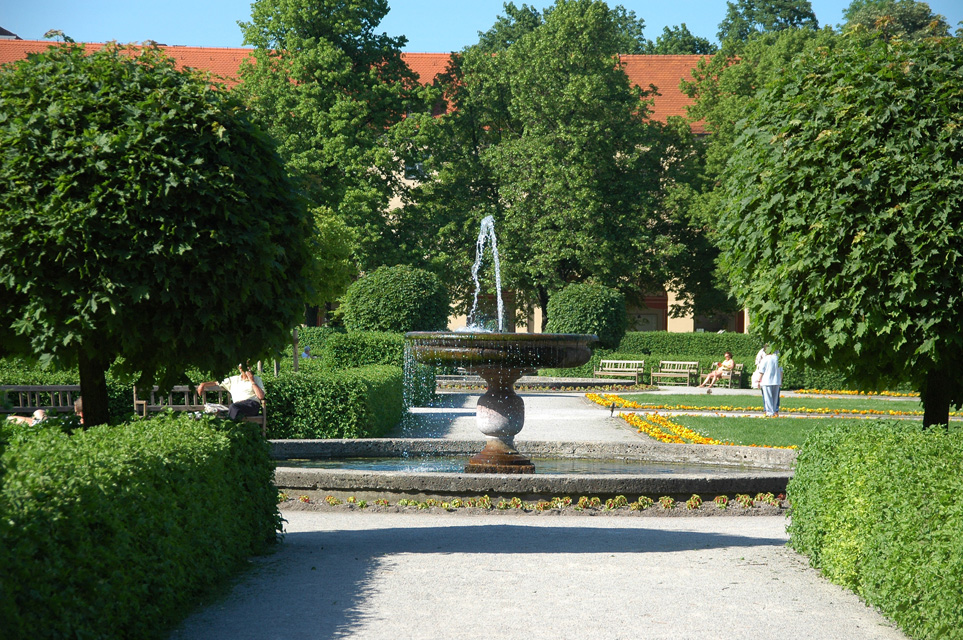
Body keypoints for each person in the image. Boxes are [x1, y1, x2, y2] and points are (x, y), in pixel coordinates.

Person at [197, 364, 265, 421]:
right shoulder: (233, 380)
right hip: (238, 407)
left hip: (252, 405)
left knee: (233, 407)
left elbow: (261, 396)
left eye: (249, 366)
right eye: (245, 367)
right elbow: (216, 383)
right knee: (232, 410)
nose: (248, 369)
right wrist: (203, 384)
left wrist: (252, 381)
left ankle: (229, 429)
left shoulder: (257, 379)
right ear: (240, 368)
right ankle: (234, 429)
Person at [758, 349, 783, 417]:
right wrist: (780, 380)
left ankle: (769, 412)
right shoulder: (778, 358)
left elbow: (761, 371)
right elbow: (781, 371)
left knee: (768, 398)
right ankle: (774, 411)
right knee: (775, 398)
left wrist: (758, 380)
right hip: (776, 381)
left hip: (767, 381)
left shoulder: (765, 359)